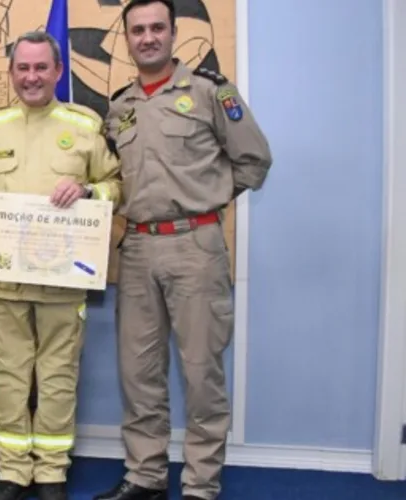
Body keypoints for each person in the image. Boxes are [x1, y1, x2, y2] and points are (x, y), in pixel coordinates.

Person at [93, 1, 273, 500]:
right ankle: (146, 476)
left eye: (157, 28)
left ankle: (199, 484)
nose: (147, 37)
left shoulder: (210, 91)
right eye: (138, 30)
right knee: (139, 371)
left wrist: (207, 198)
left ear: (172, 33)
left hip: (196, 247)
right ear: (126, 37)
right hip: (137, 251)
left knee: (200, 372)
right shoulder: (119, 107)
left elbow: (254, 160)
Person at [0, 31, 123, 500]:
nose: (31, 76)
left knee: (57, 377)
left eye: (41, 67)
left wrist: (91, 192)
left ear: (58, 71)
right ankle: (14, 471)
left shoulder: (84, 123)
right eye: (23, 68)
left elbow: (115, 183)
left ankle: (51, 471)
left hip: (63, 279)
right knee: (11, 376)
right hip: (6, 280)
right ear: (11, 73)